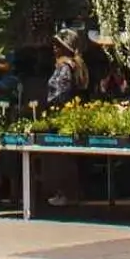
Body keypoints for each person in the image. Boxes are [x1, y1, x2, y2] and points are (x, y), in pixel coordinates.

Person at [42, 30, 89, 209]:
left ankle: (65, 192)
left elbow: (59, 93)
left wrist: (50, 108)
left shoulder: (65, 67)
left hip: (63, 114)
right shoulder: (76, 64)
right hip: (72, 113)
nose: (54, 48)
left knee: (63, 156)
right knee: (69, 156)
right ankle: (71, 192)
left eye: (58, 45)